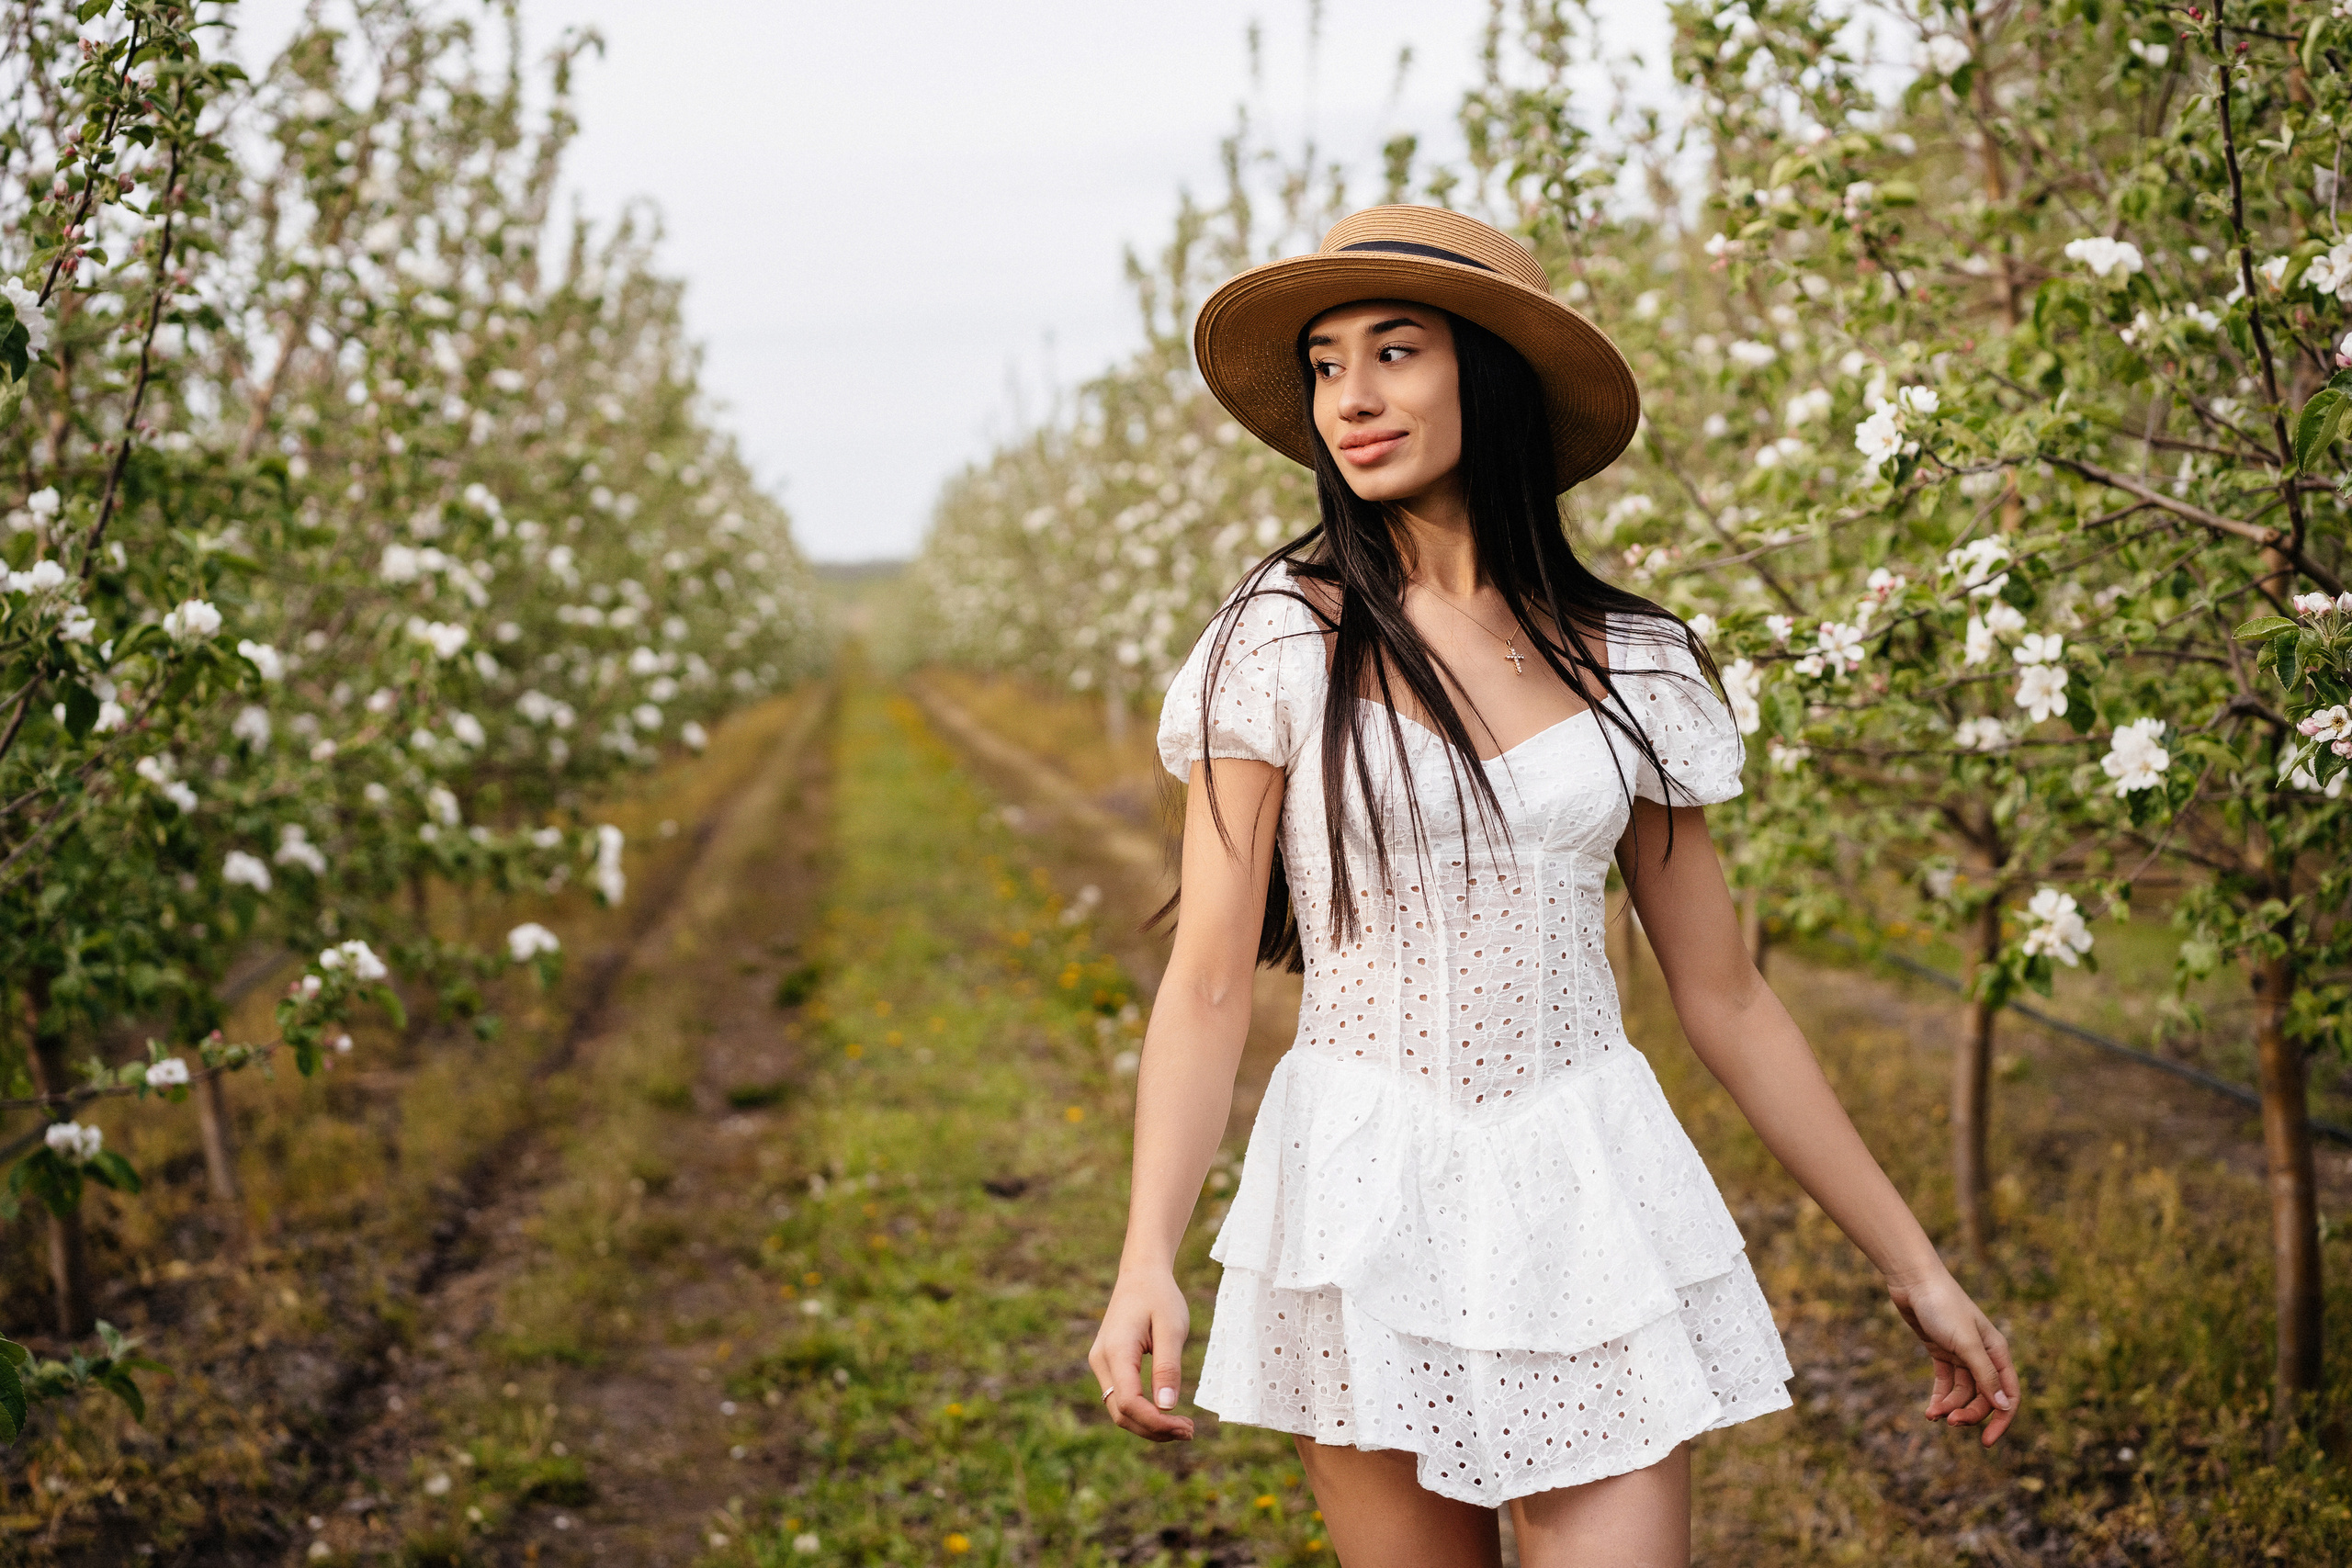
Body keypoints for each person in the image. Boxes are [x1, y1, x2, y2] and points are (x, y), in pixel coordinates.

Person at [1086, 207, 2019, 1568]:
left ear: (1493, 374)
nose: (1351, 396)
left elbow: (1728, 995)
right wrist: (1144, 1258)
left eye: (1394, 352)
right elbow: (1212, 978)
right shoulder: (1276, 643)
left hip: (1587, 1183)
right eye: (1328, 364)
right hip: (1364, 1194)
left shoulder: (1633, 664)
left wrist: (1915, 1265)